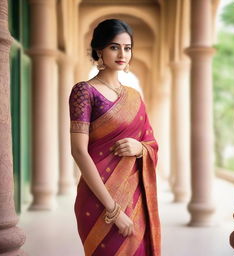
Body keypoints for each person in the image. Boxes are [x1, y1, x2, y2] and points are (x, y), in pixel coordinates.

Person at [69, 18, 161, 256]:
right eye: (114, 47)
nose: (122, 53)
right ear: (99, 50)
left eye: (127, 48)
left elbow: (150, 143)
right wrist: (113, 210)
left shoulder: (134, 96)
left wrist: (140, 149)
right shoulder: (84, 91)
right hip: (99, 199)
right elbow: (78, 151)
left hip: (134, 198)